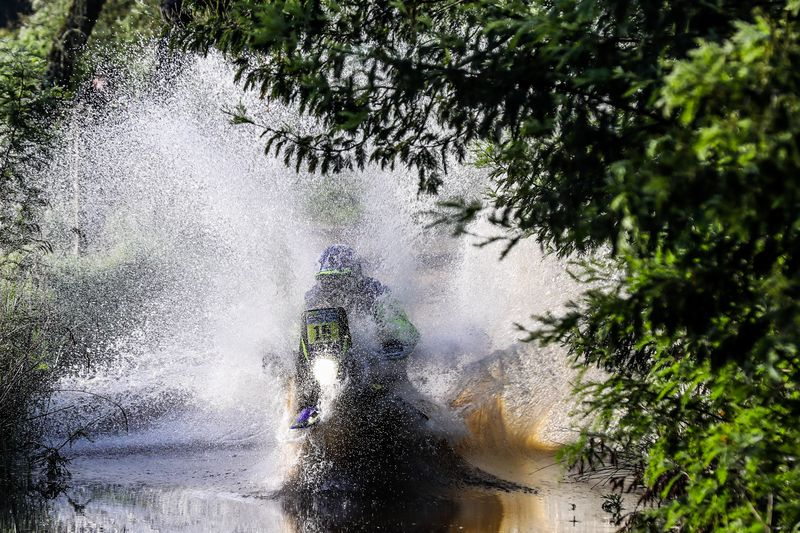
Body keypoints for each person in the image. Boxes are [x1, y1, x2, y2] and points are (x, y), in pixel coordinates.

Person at [291, 244, 419, 429]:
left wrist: (395, 340)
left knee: (397, 395)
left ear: (355, 276)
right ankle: (305, 410)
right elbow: (296, 333)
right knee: (299, 375)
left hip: (376, 363)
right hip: (328, 363)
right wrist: (285, 351)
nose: (334, 287)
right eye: (328, 281)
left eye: (340, 280)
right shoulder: (312, 300)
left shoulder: (378, 296)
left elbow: (404, 328)